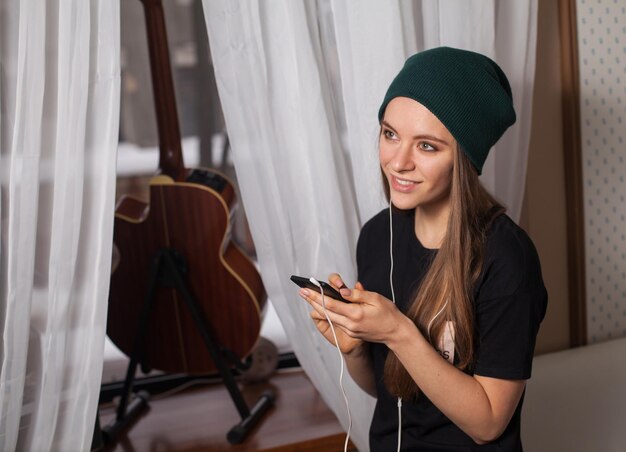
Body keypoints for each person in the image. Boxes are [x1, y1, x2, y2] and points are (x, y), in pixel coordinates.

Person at [298, 47, 547, 451]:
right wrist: (355, 349)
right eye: (390, 134)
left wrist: (398, 332)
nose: (398, 162)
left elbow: (487, 424)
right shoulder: (378, 236)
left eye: (427, 146)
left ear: (465, 158)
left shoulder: (506, 259)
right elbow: (388, 393)